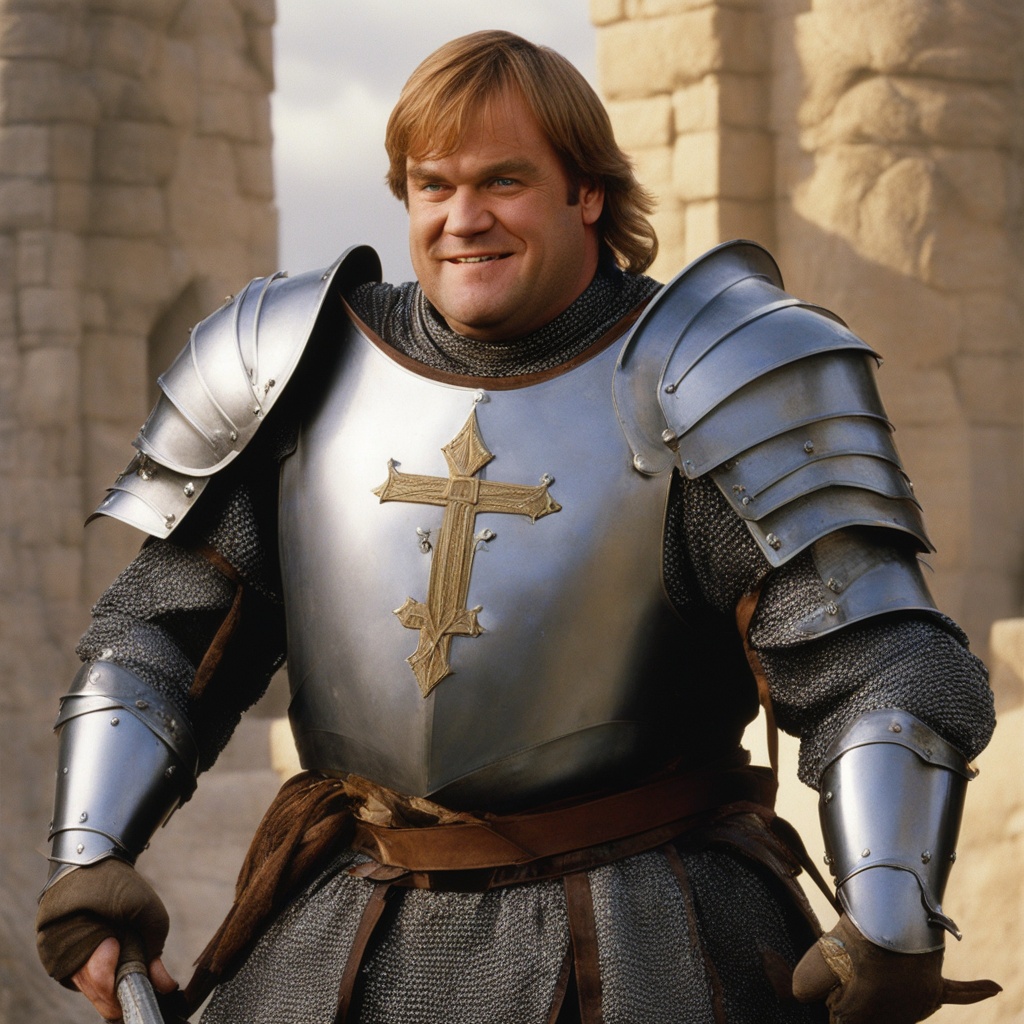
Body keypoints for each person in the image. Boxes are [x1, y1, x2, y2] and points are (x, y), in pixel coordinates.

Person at [36, 30, 1000, 1024]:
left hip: (648, 939)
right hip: (341, 930)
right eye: (433, 185)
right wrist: (90, 858)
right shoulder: (294, 366)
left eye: (502, 181)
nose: (463, 219)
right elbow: (162, 634)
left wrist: (890, 902)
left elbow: (880, 663)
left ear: (586, 191)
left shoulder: (713, 375)